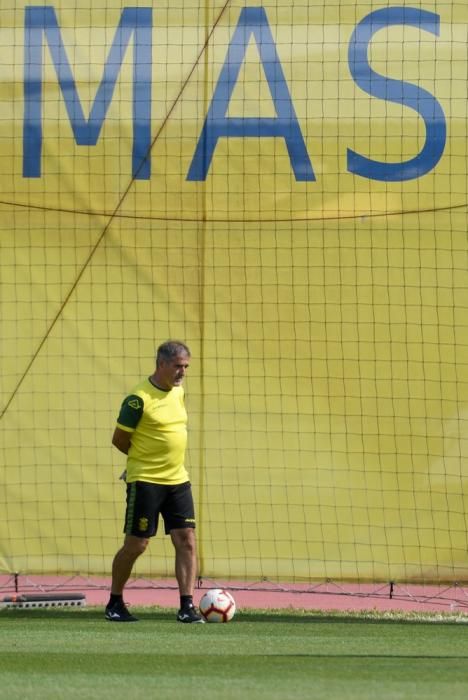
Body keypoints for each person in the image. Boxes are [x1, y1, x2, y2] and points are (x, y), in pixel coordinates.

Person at [105, 340, 204, 623]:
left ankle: (187, 606)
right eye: (177, 366)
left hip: (178, 480)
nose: (182, 372)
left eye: (185, 367)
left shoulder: (179, 393)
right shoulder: (138, 399)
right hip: (146, 481)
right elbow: (119, 439)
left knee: (186, 540)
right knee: (137, 545)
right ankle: (114, 602)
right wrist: (138, 463)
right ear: (161, 364)